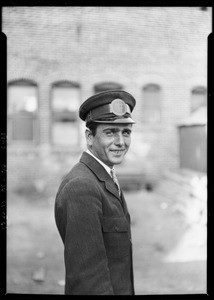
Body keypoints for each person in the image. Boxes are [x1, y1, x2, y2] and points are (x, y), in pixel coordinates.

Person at [54, 90, 136, 295]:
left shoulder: (103, 175)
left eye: (126, 132)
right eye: (110, 132)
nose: (121, 142)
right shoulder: (82, 187)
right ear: (90, 137)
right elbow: (88, 282)